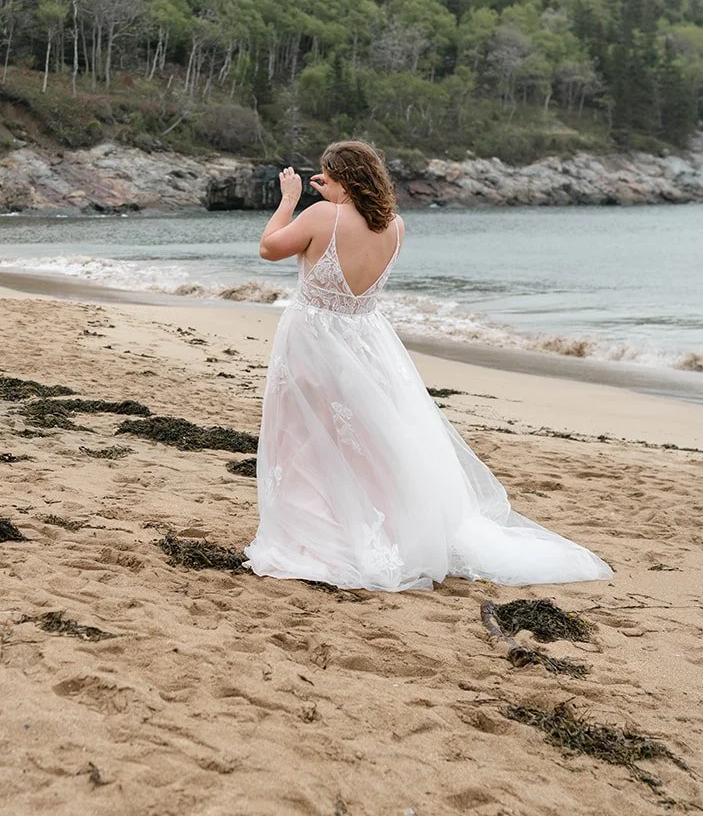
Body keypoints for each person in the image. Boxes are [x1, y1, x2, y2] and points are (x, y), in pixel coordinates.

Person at [244, 141, 611, 591]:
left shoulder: (321, 216)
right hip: (368, 343)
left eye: (327, 175)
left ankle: (318, 534)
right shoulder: (395, 226)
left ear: (340, 177)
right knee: (367, 444)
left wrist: (289, 199)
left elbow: (268, 248)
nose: (322, 182)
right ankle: (380, 530)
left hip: (315, 340)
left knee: (303, 434)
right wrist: (334, 199)